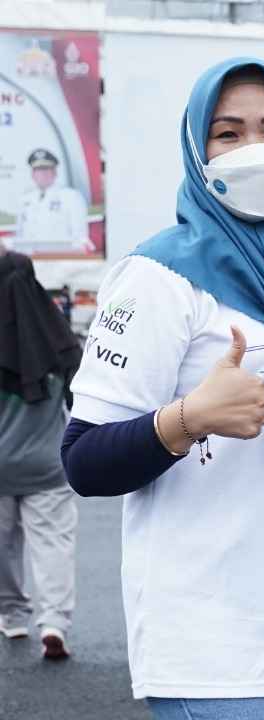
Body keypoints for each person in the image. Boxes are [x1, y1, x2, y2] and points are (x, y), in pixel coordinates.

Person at [60, 58, 264, 718]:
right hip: (208, 641)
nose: (255, 150)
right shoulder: (159, 276)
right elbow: (83, 461)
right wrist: (187, 419)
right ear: (197, 148)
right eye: (228, 133)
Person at [0, 250, 80, 659]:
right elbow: (80, 398)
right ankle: (54, 622)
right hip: (48, 464)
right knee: (53, 543)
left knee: (3, 546)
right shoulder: (57, 337)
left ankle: (12, 615)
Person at [10, 149, 93, 256]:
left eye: (46, 169)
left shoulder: (71, 197)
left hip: (59, 260)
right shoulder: (25, 200)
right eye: (38, 170)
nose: (42, 174)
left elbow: (80, 240)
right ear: (33, 174)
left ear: (55, 172)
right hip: (29, 260)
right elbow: (19, 237)